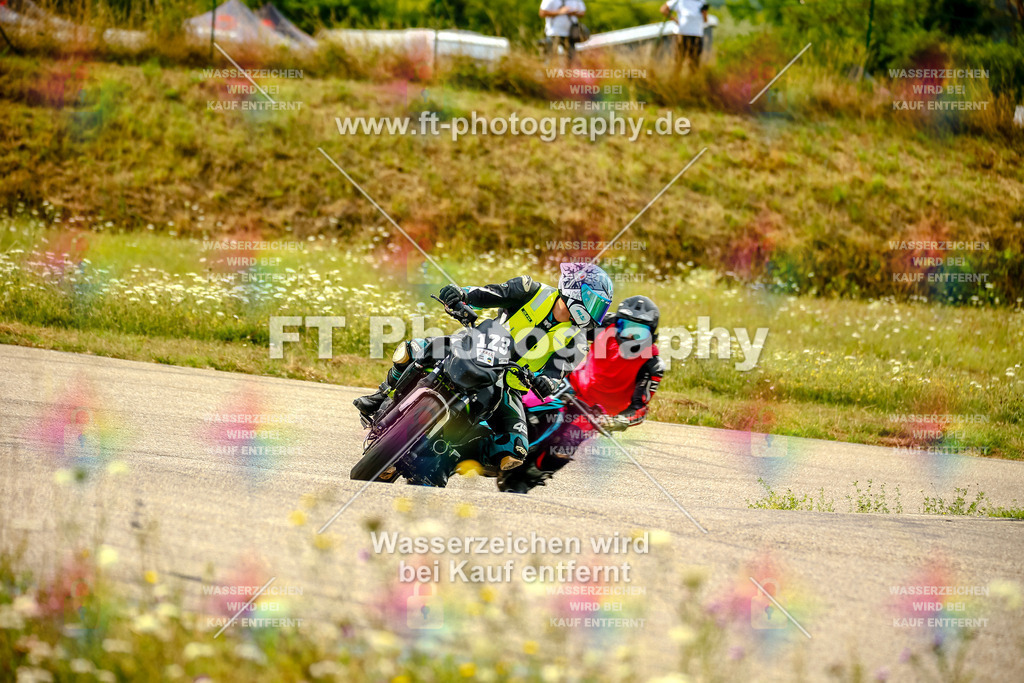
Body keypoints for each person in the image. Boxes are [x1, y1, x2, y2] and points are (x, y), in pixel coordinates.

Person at [354, 263, 614, 472]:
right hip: (476, 346)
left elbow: (556, 373)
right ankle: (381, 396)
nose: (593, 313)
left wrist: (546, 382)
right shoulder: (530, 289)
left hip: (508, 383)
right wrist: (461, 296)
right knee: (410, 351)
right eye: (592, 303)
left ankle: (439, 459)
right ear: (573, 290)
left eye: (599, 308)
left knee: (515, 450)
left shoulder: (577, 340)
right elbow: (488, 294)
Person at [498, 295, 665, 493]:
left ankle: (527, 477)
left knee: (564, 447)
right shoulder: (605, 324)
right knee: (526, 409)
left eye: (639, 334)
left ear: (651, 335)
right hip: (570, 386)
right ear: (617, 323)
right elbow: (568, 332)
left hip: (596, 413)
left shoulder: (652, 365)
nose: (629, 338)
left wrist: (619, 421)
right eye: (625, 327)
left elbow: (640, 409)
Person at [660, 0, 708, 70]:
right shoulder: (680, 1)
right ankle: (676, 79)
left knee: (695, 61)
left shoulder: (702, 1)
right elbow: (664, 9)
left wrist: (704, 14)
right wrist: (675, 20)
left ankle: (693, 79)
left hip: (697, 34)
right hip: (683, 34)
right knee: (679, 60)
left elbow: (705, 20)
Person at [539, 0, 586, 64]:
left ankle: (570, 73)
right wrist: (560, 12)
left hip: (570, 34)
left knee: (572, 60)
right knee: (549, 59)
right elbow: (542, 13)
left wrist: (573, 13)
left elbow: (582, 13)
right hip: (553, 33)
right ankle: (546, 72)